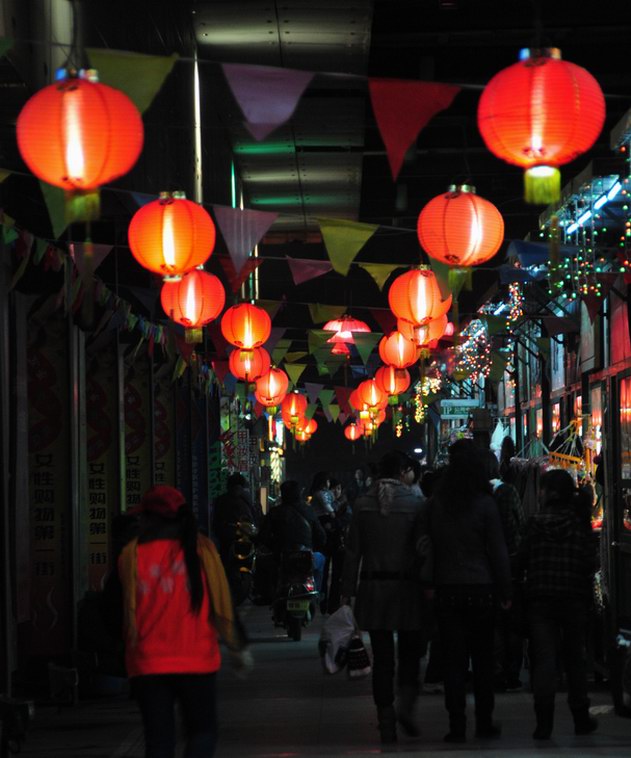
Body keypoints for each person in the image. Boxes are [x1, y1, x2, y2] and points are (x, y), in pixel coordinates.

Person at [117, 485, 250, 758]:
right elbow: (223, 600)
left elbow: (114, 608)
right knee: (202, 733)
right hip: (197, 661)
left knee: (158, 740)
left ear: (152, 518)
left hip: (148, 663)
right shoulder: (203, 550)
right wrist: (238, 645)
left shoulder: (131, 555)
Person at [418, 439, 512, 743]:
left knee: (453, 662)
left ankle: (456, 724)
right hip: (481, 588)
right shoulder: (485, 504)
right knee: (483, 660)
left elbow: (426, 547)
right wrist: (505, 589)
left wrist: (429, 584)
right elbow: (497, 551)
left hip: (447, 589)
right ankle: (483, 722)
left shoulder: (438, 504)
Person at [340, 450, 426, 744]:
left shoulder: (362, 504)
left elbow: (352, 554)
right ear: (403, 471)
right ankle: (407, 705)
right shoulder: (416, 503)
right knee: (411, 654)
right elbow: (424, 549)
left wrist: (346, 593)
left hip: (373, 590)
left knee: (383, 658)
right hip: (408, 590)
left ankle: (385, 717)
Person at [516, 469, 599, 740]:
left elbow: (523, 559)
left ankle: (544, 723)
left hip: (540, 600)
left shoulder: (534, 523)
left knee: (545, 661)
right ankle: (580, 717)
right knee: (576, 659)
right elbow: (590, 561)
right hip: (574, 599)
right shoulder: (579, 523)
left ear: (550, 493)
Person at [483, 450, 526, 693]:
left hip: (485, 567)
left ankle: (495, 670)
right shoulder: (508, 492)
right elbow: (520, 522)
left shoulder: (477, 494)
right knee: (513, 623)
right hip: (511, 563)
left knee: (494, 624)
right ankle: (512, 673)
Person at [320, 478, 352, 614]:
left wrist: (333, 524)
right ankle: (322, 602)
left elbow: (347, 519)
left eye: (338, 488)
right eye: (333, 488)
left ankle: (333, 604)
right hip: (326, 543)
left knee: (337, 575)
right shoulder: (322, 504)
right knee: (324, 574)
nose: (336, 491)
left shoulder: (345, 505)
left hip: (340, 543)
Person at [212, 473, 260, 561]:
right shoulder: (246, 500)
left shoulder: (222, 500)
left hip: (231, 540)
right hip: (238, 539)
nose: (237, 490)